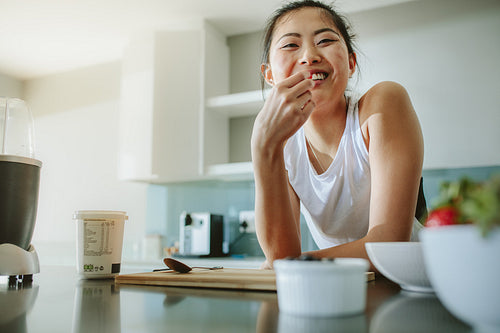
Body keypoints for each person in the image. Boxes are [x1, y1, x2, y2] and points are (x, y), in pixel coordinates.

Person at [251, 0, 426, 270]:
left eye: (325, 40)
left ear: (352, 62)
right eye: (290, 45)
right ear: (270, 75)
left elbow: (389, 244)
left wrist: (296, 264)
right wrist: (263, 147)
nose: (309, 56)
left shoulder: (382, 104)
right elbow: (280, 253)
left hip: (410, 285)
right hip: (340, 287)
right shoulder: (283, 144)